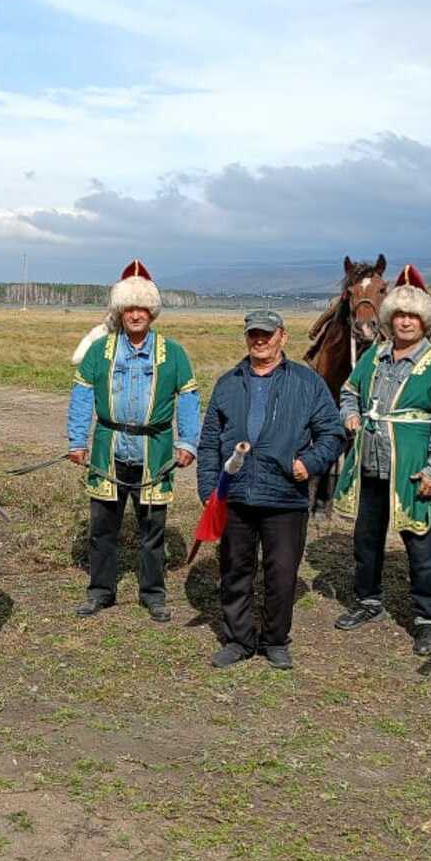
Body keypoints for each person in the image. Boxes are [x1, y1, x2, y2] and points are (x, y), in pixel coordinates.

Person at [197, 310, 345, 669]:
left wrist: (308, 464)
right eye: (253, 334)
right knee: (235, 569)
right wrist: (209, 490)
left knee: (281, 571)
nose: (259, 340)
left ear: (282, 337)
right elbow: (209, 443)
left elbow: (333, 434)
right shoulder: (228, 383)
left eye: (266, 334)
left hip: (284, 496)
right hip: (235, 494)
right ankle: (238, 639)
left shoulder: (307, 383)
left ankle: (275, 640)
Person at [67, 259, 201, 622]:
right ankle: (100, 591)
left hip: (153, 451)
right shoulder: (101, 351)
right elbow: (81, 396)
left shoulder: (173, 354)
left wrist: (188, 443)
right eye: (129, 307)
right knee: (102, 528)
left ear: (152, 312)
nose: (136, 314)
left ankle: (153, 594)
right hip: (108, 448)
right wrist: (76, 440)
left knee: (152, 529)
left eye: (142, 308)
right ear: (120, 310)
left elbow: (188, 399)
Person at [333, 272, 431, 657]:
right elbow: (349, 391)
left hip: (412, 468)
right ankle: (368, 599)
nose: (404, 322)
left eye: (413, 317)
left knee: (421, 545)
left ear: (425, 322)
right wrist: (349, 415)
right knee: (366, 540)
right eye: (399, 314)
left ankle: (428, 618)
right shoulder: (374, 355)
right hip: (370, 464)